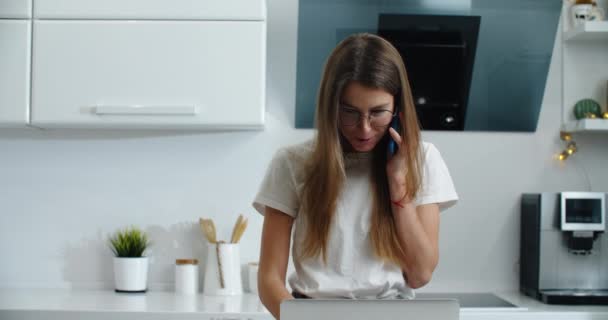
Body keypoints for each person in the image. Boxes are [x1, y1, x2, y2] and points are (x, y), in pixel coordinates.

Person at [252, 33, 458, 319]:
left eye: (377, 113)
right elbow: (269, 281)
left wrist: (398, 181)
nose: (363, 129)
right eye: (349, 112)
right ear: (330, 107)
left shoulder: (423, 160)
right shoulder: (292, 163)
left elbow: (420, 274)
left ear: (397, 108)